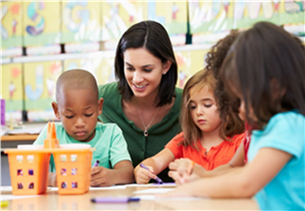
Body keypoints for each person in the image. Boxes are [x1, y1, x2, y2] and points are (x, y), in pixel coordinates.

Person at [162, 22, 305, 210]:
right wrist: (201, 178)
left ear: (275, 87)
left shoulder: (288, 124)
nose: (241, 110)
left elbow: (246, 182)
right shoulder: (265, 129)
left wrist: (194, 188)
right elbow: (238, 171)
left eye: (244, 99)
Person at [98, 20, 182, 182]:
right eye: (130, 68)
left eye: (147, 69)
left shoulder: (189, 104)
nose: (136, 79)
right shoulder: (101, 98)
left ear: (166, 66)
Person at [134, 69, 245, 184]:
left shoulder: (241, 142)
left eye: (207, 105)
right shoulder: (184, 140)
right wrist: (142, 170)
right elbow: (156, 162)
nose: (198, 112)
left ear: (227, 105)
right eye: (192, 106)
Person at [168, 30, 248, 184]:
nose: (235, 107)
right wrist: (201, 175)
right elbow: (232, 167)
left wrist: (197, 183)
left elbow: (247, 181)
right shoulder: (254, 130)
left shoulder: (283, 127)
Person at [33, 69, 134, 187]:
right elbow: (30, 169)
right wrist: (51, 179)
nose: (80, 123)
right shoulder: (51, 133)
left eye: (88, 114)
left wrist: (111, 176)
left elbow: (129, 173)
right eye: (70, 116)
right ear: (56, 110)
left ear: (99, 107)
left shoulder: (111, 133)